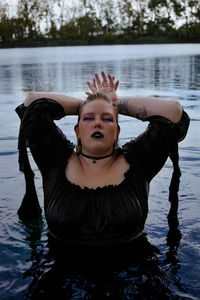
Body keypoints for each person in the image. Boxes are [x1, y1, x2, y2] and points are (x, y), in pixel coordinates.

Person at [15, 72, 189, 246]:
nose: (97, 123)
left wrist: (113, 103)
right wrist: (88, 104)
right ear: (77, 131)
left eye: (107, 119)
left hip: (136, 269)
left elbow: (172, 112)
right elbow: (32, 102)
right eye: (88, 118)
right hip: (58, 269)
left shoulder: (137, 162)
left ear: (117, 133)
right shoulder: (55, 161)